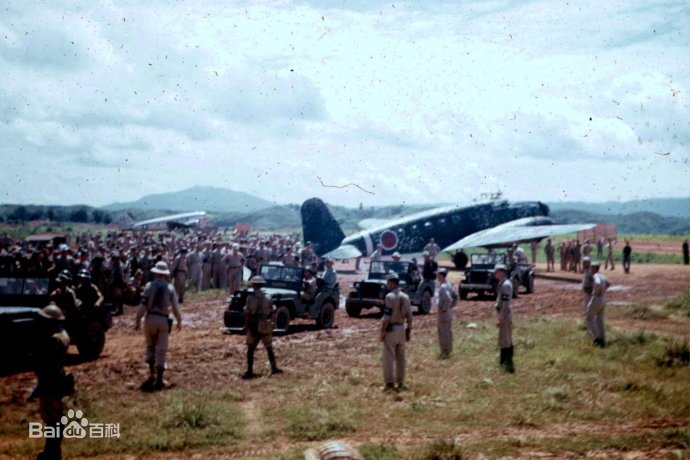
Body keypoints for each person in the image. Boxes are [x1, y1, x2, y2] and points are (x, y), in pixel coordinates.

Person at [30, 303, 72, 460]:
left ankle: (52, 452)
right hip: (56, 378)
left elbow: (44, 360)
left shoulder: (54, 339)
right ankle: (51, 450)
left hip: (50, 379)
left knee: (52, 417)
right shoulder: (63, 334)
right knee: (54, 417)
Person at [134, 261, 182, 392]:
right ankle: (159, 379)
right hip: (163, 319)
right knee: (161, 349)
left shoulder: (149, 286)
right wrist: (179, 320)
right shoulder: (170, 288)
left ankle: (151, 374)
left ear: (156, 273)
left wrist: (138, 320)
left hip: (149, 318)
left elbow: (142, 305)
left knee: (150, 346)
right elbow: (175, 307)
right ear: (165, 274)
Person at [243, 276, 282, 379]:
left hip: (253, 324)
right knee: (269, 347)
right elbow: (272, 312)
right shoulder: (268, 297)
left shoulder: (250, 298)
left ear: (253, 285)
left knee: (251, 348)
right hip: (265, 323)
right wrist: (272, 323)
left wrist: (246, 325)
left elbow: (247, 314)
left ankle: (249, 370)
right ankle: (274, 368)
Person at [380, 273, 412, 392]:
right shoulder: (406, 297)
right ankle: (401, 382)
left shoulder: (389, 297)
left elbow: (386, 317)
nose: (387, 284)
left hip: (391, 329)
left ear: (392, 283)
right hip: (401, 328)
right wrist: (408, 331)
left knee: (389, 356)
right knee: (401, 357)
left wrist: (382, 331)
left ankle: (389, 383)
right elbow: (410, 317)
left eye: (388, 282)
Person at [494, 264, 514, 373]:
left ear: (502, 272)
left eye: (496, 271)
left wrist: (501, 318)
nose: (495, 273)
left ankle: (505, 363)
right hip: (504, 314)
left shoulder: (505, 285)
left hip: (505, 314)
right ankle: (507, 361)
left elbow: (505, 304)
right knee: (505, 338)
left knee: (505, 339)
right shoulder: (503, 283)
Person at [585, 262, 610, 347]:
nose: (590, 269)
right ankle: (602, 339)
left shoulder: (596, 276)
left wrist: (595, 291)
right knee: (600, 320)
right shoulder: (602, 276)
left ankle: (596, 338)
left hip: (596, 298)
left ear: (595, 268)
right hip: (603, 299)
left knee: (589, 318)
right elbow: (608, 284)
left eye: (592, 267)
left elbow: (598, 283)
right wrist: (603, 291)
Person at [435, 268, 458, 358]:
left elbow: (448, 299)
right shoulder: (448, 285)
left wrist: (444, 309)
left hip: (443, 313)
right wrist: (450, 307)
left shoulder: (443, 287)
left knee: (443, 332)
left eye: (438, 275)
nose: (437, 277)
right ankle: (449, 349)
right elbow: (455, 297)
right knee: (448, 331)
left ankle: (445, 351)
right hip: (448, 313)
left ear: (441, 276)